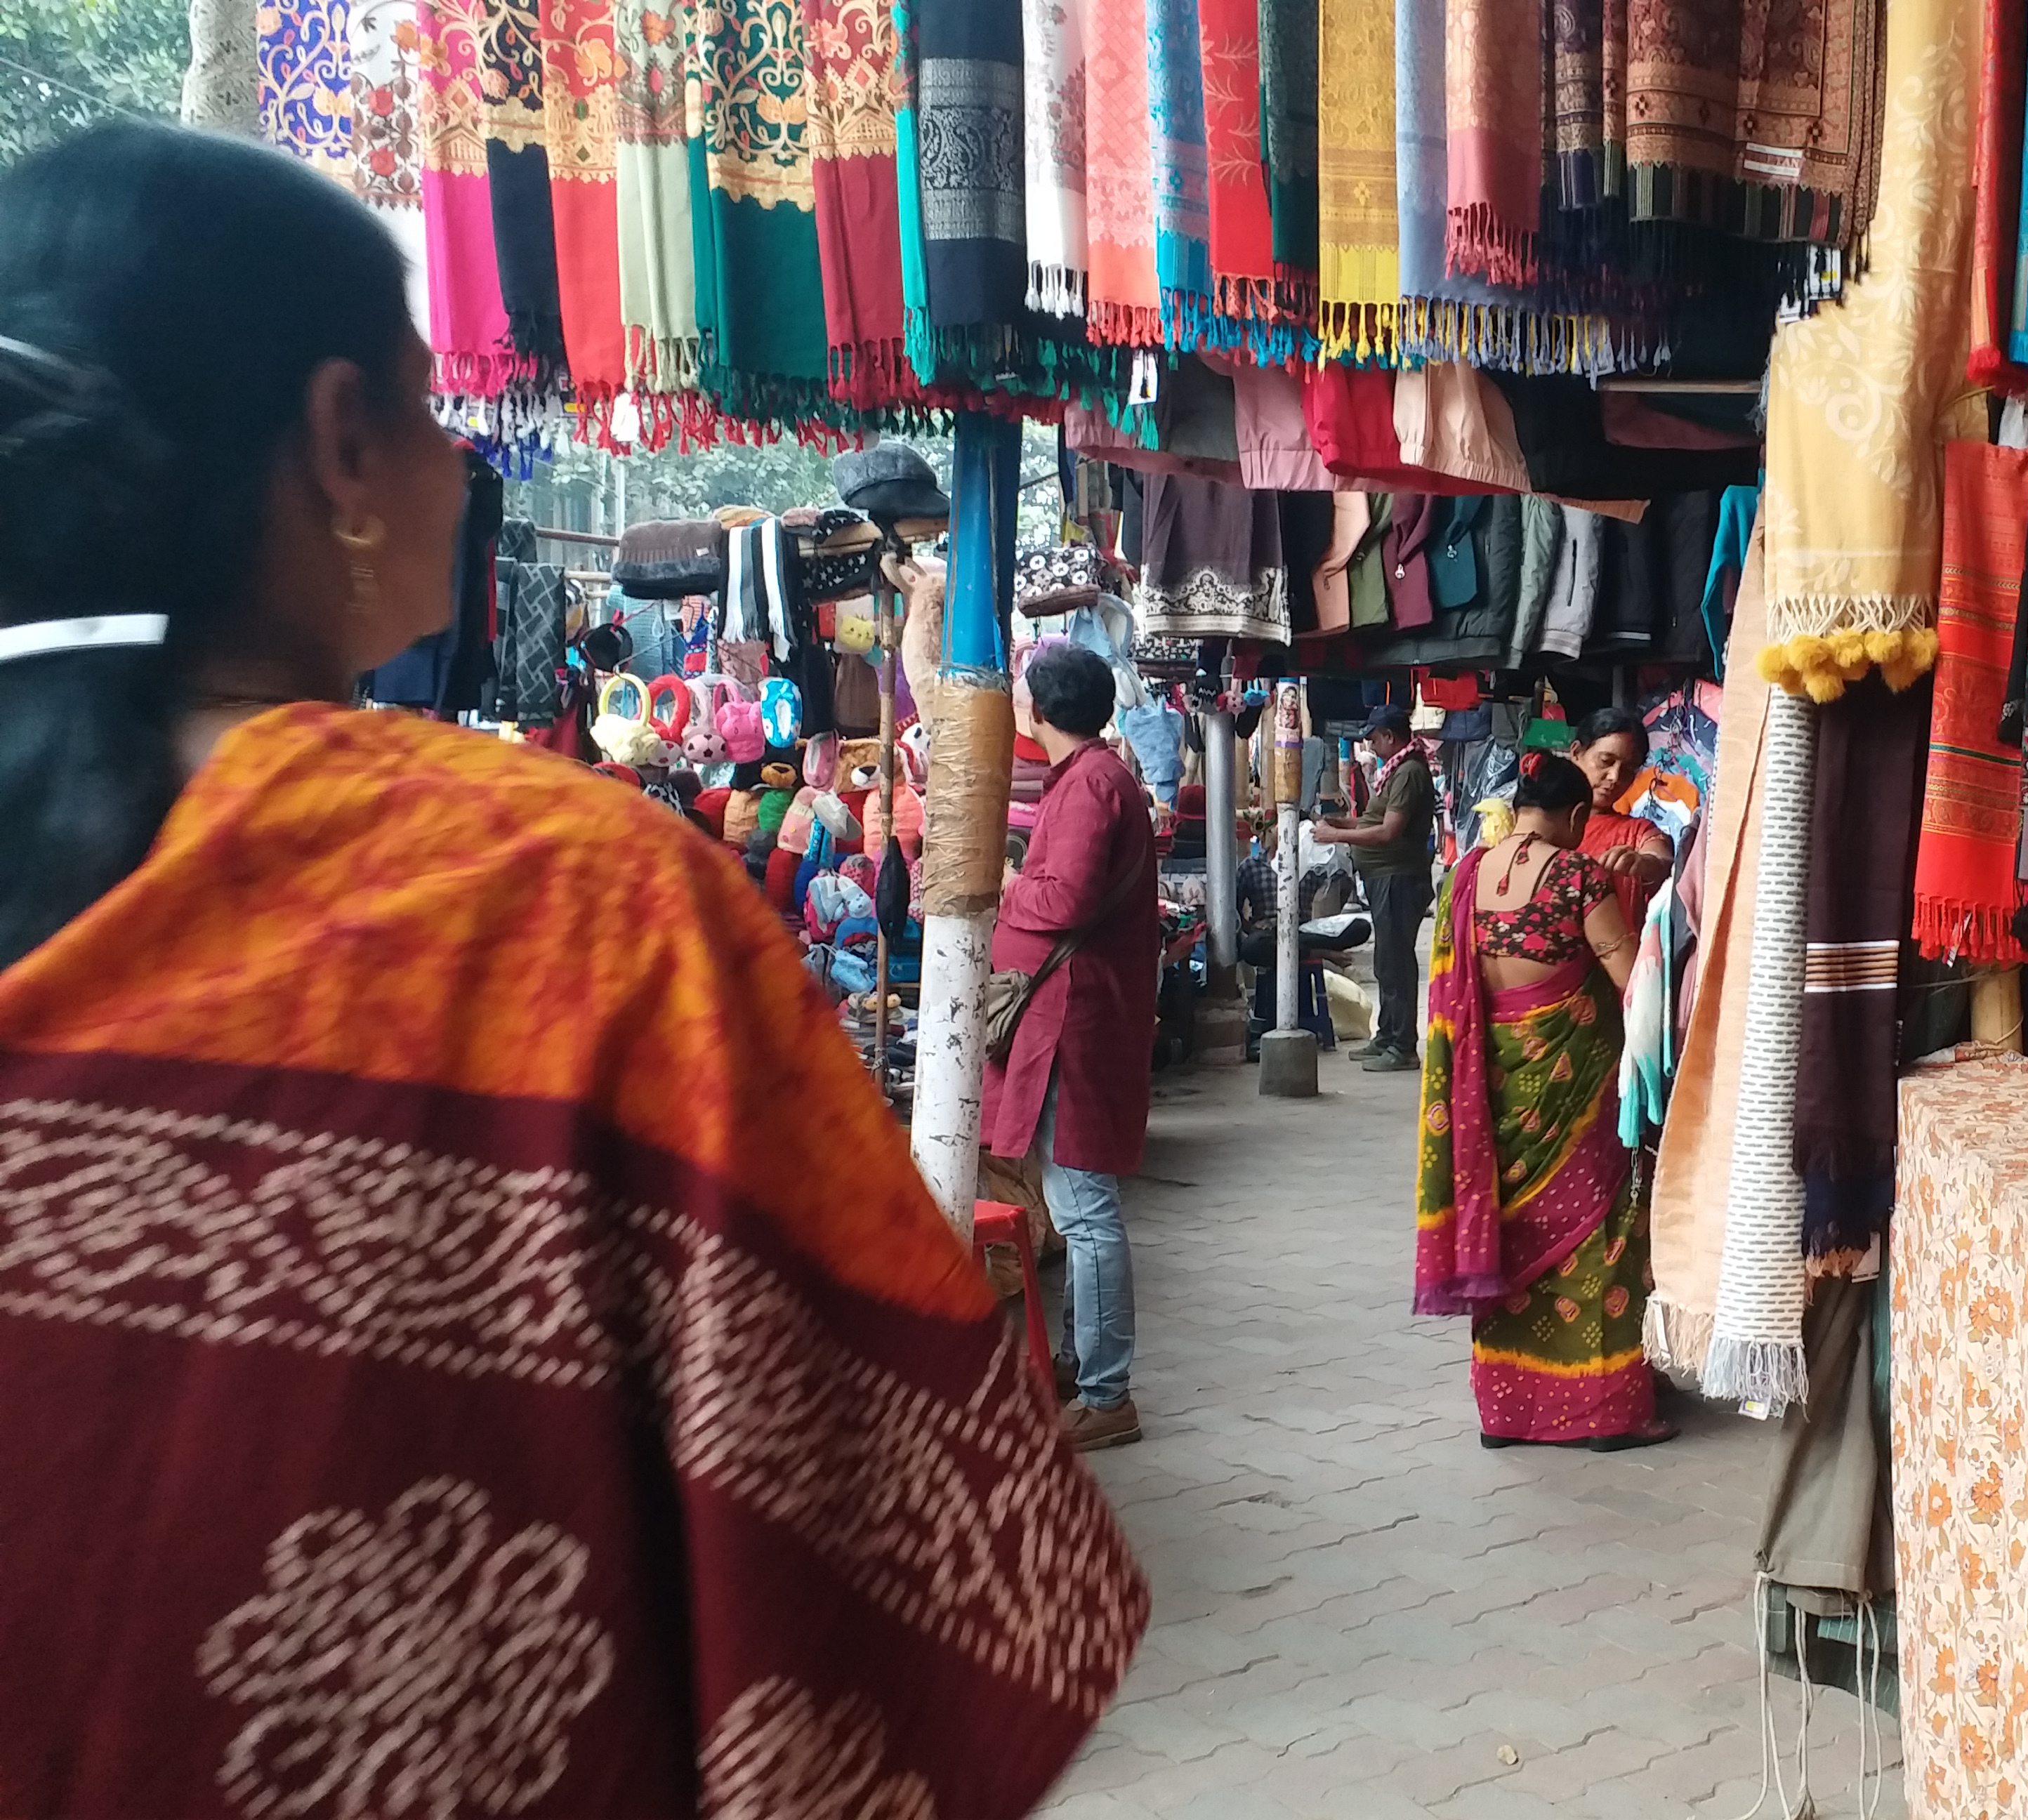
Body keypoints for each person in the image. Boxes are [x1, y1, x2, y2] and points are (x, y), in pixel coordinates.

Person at [0, 126, 1141, 1816]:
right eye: (432, 411)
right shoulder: (564, 898)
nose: (463, 469)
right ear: (341, 443)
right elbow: (904, 1553)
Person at [1413, 753, 1677, 1450]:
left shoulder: (1464, 879)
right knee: (1598, 1235)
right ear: (1576, 817)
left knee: (1504, 1238)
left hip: (1487, 1096)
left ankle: (1508, 1414)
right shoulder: (1575, 876)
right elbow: (1632, 984)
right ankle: (1603, 1413)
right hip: (1574, 1095)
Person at [986, 641, 1161, 1453]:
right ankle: (1079, 1366)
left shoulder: (1091, 783)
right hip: (1075, 1014)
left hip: (1074, 1020)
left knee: (1085, 1213)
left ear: (1036, 710)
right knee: (1077, 1207)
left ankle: (1106, 1391)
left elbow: (1067, 897)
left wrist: (1007, 883)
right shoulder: (1094, 776)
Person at [1314, 704, 1437, 1071]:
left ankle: (1402, 1045)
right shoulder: (1397, 770)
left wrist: (1338, 833)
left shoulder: (1410, 772)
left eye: (1374, 738)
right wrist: (1345, 823)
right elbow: (1375, 820)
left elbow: (1388, 831)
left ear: (1389, 736)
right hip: (1386, 878)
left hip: (1399, 879)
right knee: (1387, 962)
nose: (1371, 744)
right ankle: (1387, 1035)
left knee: (1397, 963)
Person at [1568, 706, 1675, 925]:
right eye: (1606, 761)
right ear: (1576, 752)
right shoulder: (1539, 819)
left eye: (1627, 770)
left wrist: (1642, 863)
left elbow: (1662, 861)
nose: (1614, 777)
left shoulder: (1638, 832)